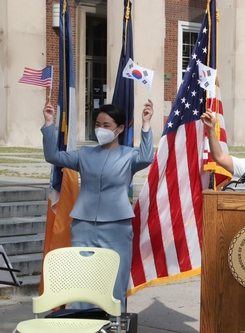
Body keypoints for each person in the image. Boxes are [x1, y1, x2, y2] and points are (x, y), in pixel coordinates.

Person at [41, 99, 155, 311]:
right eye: (97, 124)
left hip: (117, 227)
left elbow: (147, 157)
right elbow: (52, 156)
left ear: (120, 129)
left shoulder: (129, 155)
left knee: (114, 282)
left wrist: (146, 124)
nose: (100, 129)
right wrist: (49, 124)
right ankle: (81, 323)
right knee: (82, 281)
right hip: (83, 226)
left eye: (106, 125)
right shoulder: (85, 154)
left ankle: (112, 324)